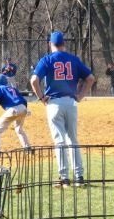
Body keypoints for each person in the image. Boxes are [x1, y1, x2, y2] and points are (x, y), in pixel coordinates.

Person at [30, 31, 95, 188]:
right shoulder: (73, 59)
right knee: (73, 139)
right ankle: (79, 177)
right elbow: (91, 78)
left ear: (50, 44)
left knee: (59, 141)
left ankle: (64, 178)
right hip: (71, 103)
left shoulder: (47, 60)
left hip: (54, 103)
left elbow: (34, 80)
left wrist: (41, 97)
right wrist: (80, 96)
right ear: (64, 44)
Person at [0, 74, 32, 156]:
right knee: (19, 129)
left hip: (13, 110)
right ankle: (28, 148)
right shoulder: (12, 88)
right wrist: (25, 110)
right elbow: (24, 100)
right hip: (23, 108)